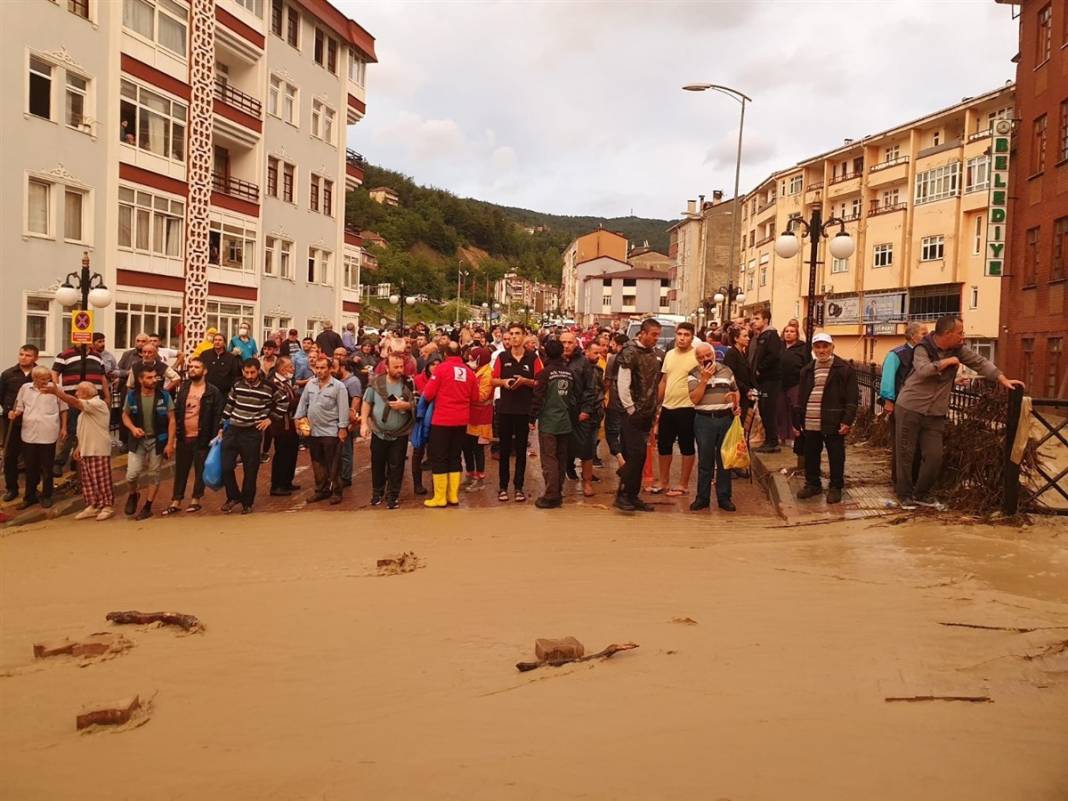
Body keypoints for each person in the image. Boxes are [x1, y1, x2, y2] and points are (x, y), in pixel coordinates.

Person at [893, 315, 1023, 509]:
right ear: (947, 334)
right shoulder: (923, 347)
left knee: (934, 456)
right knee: (906, 453)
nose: (963, 337)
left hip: (936, 412)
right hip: (910, 407)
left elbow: (980, 362)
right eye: (960, 333)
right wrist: (946, 362)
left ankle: (922, 493)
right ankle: (904, 495)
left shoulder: (958, 349)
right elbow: (923, 371)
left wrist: (1002, 378)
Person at [219, 358, 289, 514]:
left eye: (252, 372)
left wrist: (270, 419)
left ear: (258, 371)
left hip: (252, 432)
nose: (249, 376)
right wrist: (221, 426)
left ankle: (247, 502)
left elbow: (284, 402)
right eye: (246, 372)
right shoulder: (237, 384)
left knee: (251, 470)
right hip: (233, 429)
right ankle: (233, 496)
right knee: (225, 466)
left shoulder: (268, 387)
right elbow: (229, 405)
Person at [795, 333, 858, 504]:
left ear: (832, 347)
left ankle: (836, 486)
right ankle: (813, 484)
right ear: (813, 349)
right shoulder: (807, 370)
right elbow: (801, 397)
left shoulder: (844, 369)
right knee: (811, 454)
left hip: (833, 420)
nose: (821, 350)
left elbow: (852, 399)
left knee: (836, 455)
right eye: (818, 347)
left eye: (825, 346)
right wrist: (797, 419)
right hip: (810, 419)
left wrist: (847, 421)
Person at [44, 380, 115, 520]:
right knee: (88, 480)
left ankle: (107, 506)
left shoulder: (97, 404)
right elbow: (84, 430)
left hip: (98, 448)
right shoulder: (85, 410)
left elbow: (75, 402)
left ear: (87, 393)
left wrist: (57, 392)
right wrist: (79, 447)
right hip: (86, 448)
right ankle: (93, 505)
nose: (76, 394)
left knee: (101, 479)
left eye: (78, 391)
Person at [421, 341, 479, 508]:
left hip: (442, 420)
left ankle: (440, 497)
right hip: (461, 420)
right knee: (455, 457)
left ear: (445, 355)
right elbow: (475, 397)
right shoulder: (469, 372)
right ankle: (452, 496)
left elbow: (429, 394)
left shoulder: (441, 369)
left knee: (439, 458)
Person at [164, 357, 223, 515]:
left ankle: (196, 499)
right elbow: (176, 412)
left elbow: (217, 415)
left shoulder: (212, 391)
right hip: (184, 435)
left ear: (204, 371)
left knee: (200, 469)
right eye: (190, 367)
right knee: (181, 470)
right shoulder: (184, 389)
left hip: (203, 436)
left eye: (196, 367)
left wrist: (216, 434)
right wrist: (175, 436)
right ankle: (176, 500)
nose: (192, 369)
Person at [614, 318, 662, 512]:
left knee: (639, 457)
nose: (656, 339)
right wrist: (631, 409)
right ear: (642, 332)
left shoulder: (652, 354)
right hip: (632, 413)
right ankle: (624, 494)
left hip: (647, 413)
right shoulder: (629, 352)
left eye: (658, 335)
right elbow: (622, 384)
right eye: (653, 334)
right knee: (636, 454)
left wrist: (654, 410)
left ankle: (631, 495)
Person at [493, 323, 542, 502]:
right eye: (511, 333)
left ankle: (519, 487)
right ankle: (503, 487)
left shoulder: (533, 358)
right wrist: (504, 382)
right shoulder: (501, 356)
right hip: (505, 409)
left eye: (517, 333)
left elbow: (541, 382)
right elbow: (492, 380)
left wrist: (525, 382)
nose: (514, 337)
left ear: (524, 336)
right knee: (504, 450)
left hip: (523, 410)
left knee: (521, 451)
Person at [688, 342, 739, 512]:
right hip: (704, 421)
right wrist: (704, 380)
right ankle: (702, 498)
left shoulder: (727, 370)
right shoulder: (693, 374)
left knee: (725, 460)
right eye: (701, 357)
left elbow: (735, 390)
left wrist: (736, 403)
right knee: (705, 461)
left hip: (725, 419)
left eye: (707, 355)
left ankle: (724, 498)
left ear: (714, 354)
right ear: (697, 359)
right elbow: (694, 399)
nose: (705, 359)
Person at [361, 353, 416, 509]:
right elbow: (367, 403)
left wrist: (406, 406)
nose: (399, 370)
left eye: (401, 366)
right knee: (377, 464)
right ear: (386, 367)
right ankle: (377, 493)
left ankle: (393, 495)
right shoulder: (376, 383)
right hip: (379, 432)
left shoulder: (408, 383)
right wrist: (364, 423)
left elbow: (418, 403)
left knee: (396, 465)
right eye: (395, 367)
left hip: (400, 433)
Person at [121, 367, 176, 519]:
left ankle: (148, 506)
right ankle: (133, 494)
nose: (154, 380)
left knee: (154, 474)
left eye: (155, 377)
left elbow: (172, 420)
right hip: (138, 440)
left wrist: (170, 443)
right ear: (141, 380)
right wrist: (132, 428)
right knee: (131, 474)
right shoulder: (132, 396)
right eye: (150, 378)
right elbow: (125, 416)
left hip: (158, 439)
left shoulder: (164, 396)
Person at [295, 357, 349, 505]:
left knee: (333, 463)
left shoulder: (338, 387)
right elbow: (303, 402)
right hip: (313, 430)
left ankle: (336, 491)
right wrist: (298, 419)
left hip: (331, 430)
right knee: (317, 462)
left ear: (330, 369)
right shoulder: (310, 384)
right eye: (317, 368)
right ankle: (321, 490)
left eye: (323, 368)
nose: (319, 371)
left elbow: (343, 408)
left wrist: (342, 428)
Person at [879, 322, 928, 483]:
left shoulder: (926, 354)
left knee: (918, 446)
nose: (927, 337)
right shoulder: (897, 354)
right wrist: (889, 401)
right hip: (901, 405)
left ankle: (914, 479)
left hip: (921, 406)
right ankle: (899, 480)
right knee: (902, 445)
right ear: (913, 336)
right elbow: (888, 379)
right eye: (923, 333)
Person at [12, 367, 67, 510]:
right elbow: (19, 407)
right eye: (42, 379)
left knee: (47, 468)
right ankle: (29, 496)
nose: (46, 381)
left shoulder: (56, 388)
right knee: (30, 467)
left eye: (47, 378)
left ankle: (47, 495)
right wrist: (14, 414)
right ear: (34, 378)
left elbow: (63, 408)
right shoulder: (25, 388)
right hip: (29, 433)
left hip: (48, 433)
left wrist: (64, 428)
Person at [51, 341, 108, 476]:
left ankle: (77, 461)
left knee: (88, 431)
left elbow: (103, 377)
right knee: (70, 430)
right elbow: (54, 374)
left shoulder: (97, 356)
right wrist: (58, 393)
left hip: (93, 401)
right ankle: (59, 462)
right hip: (72, 399)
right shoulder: (64, 355)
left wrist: (107, 395)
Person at [530, 338, 575, 508]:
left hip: (549, 422)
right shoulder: (569, 373)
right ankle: (558, 491)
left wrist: (531, 418)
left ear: (546, 353)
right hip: (565, 421)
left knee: (549, 459)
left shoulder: (544, 373)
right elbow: (573, 398)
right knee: (561, 458)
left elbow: (538, 398)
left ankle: (551, 495)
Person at [655, 322, 699, 497]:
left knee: (686, 446)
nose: (682, 338)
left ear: (692, 337)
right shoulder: (670, 354)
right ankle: (663, 481)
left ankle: (683, 484)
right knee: (663, 445)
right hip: (668, 406)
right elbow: (664, 380)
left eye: (686, 334)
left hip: (687, 408)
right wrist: (657, 404)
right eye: (679, 334)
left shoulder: (696, 356)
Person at [560, 331, 600, 496]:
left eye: (569, 342)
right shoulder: (555, 361)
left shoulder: (583, 363)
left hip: (580, 413)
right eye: (563, 342)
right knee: (560, 450)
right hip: (561, 413)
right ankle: (558, 485)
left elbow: (590, 389)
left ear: (576, 344)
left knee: (586, 450)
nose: (566, 346)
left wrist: (585, 410)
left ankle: (587, 483)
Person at [2, 344, 38, 502]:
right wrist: (8, 409)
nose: (23, 357)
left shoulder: (41, 374)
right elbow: (2, 396)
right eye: (21, 354)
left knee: (32, 457)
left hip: (34, 422)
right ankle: (11, 488)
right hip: (12, 422)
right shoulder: (8, 374)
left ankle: (32, 491)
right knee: (10, 456)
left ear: (36, 358)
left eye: (28, 355)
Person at [749, 308, 783, 453]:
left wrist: (760, 369)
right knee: (764, 409)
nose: (753, 321)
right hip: (763, 381)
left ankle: (772, 442)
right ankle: (769, 440)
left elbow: (774, 356)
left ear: (765, 320)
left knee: (768, 409)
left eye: (757, 318)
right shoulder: (762, 336)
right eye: (753, 318)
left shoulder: (771, 335)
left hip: (770, 381)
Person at [268, 355, 300, 496]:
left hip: (291, 425)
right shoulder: (274, 383)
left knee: (291, 453)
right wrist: (300, 399)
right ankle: (277, 485)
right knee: (282, 454)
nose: (293, 369)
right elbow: (284, 403)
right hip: (281, 426)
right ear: (281, 369)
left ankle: (287, 481)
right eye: (290, 367)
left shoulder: (286, 382)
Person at [779, 322, 810, 467]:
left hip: (795, 383)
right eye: (786, 331)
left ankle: (794, 437)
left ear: (796, 335)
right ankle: (783, 436)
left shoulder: (802, 348)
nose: (788, 333)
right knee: (782, 410)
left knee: (794, 410)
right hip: (780, 384)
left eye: (792, 331)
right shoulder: (780, 347)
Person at [603, 332, 629, 470]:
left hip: (614, 401)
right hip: (629, 404)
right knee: (625, 433)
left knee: (612, 432)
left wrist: (602, 395)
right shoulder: (634, 358)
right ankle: (625, 458)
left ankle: (620, 458)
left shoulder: (613, 359)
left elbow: (607, 381)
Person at [337, 358, 364, 487]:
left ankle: (345, 477)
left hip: (346, 420)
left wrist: (352, 416)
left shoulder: (352, 381)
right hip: (337, 419)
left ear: (342, 367)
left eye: (335, 367)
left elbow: (356, 399)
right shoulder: (339, 381)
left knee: (345, 450)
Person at [721, 326, 755, 422]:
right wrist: (746, 389)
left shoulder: (742, 353)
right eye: (745, 336)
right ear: (736, 339)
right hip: (737, 395)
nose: (748, 338)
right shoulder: (731, 354)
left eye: (748, 336)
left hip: (745, 394)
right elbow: (731, 376)